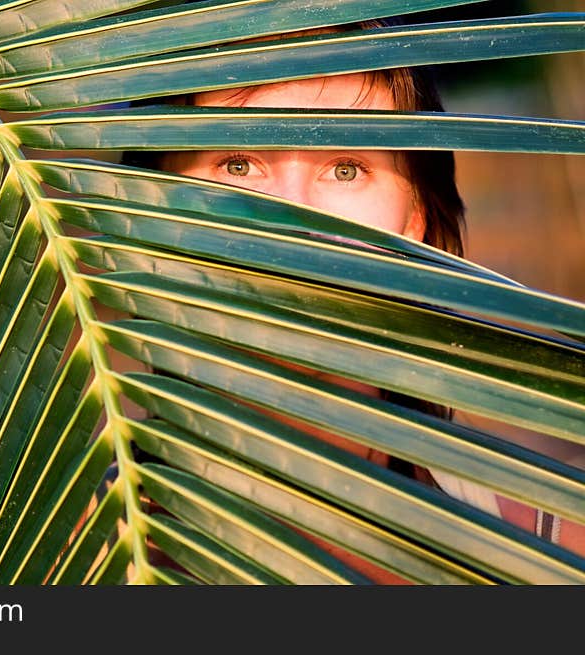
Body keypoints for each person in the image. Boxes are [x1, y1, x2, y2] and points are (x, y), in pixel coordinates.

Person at [122, 18, 585, 579]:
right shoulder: (65, 555)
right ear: (155, 214)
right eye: (238, 165)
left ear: (413, 226)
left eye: (346, 169)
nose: (292, 221)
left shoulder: (555, 553)